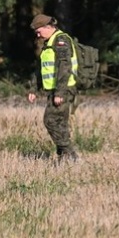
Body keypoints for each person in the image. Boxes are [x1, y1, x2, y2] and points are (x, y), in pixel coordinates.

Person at [27, 14, 79, 165]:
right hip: (53, 90)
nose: (37, 34)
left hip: (63, 89)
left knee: (50, 121)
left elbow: (65, 67)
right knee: (60, 123)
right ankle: (65, 158)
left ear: (49, 27)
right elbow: (40, 69)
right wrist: (34, 89)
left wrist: (60, 92)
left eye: (39, 30)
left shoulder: (61, 41)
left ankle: (70, 154)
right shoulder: (49, 43)